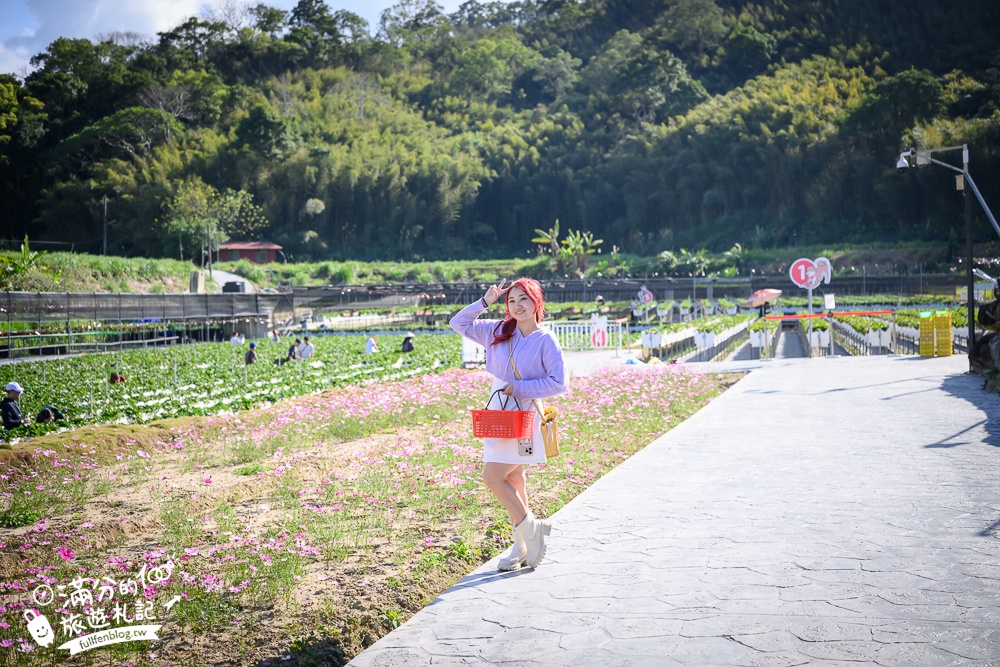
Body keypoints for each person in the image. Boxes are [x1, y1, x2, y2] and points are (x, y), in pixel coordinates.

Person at [450, 277, 567, 571]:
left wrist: (520, 388)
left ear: (536, 302)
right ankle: (521, 545)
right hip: (498, 412)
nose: (517, 305)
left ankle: (532, 529)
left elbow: (559, 382)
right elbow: (458, 323)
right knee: (514, 478)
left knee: (493, 477)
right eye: (511, 300)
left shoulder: (546, 340)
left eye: (523, 299)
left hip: (524, 414)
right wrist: (485, 301)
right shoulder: (498, 330)